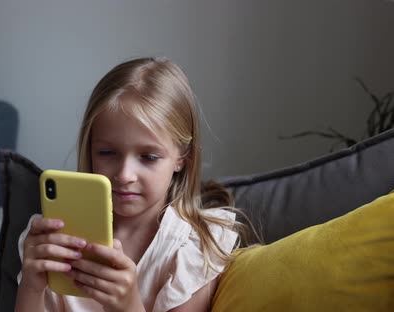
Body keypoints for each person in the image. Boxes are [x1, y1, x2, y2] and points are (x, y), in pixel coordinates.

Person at [15, 57, 246, 312]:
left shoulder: (195, 248)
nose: (125, 175)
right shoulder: (52, 238)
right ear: (89, 149)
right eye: (107, 152)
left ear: (182, 158)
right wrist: (31, 287)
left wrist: (128, 306)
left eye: (148, 157)